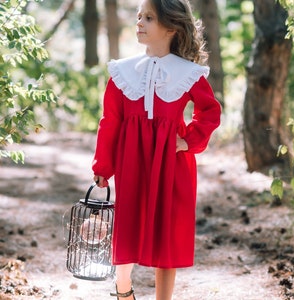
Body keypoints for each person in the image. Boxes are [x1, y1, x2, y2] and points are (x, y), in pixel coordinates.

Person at [92, 0, 221, 299]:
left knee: (168, 231)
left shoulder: (188, 73)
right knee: (127, 225)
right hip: (131, 161)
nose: (139, 22)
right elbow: (110, 121)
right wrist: (103, 167)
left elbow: (210, 111)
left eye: (148, 18)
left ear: (171, 27)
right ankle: (123, 290)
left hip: (171, 163)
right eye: (139, 16)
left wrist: (187, 141)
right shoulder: (123, 72)